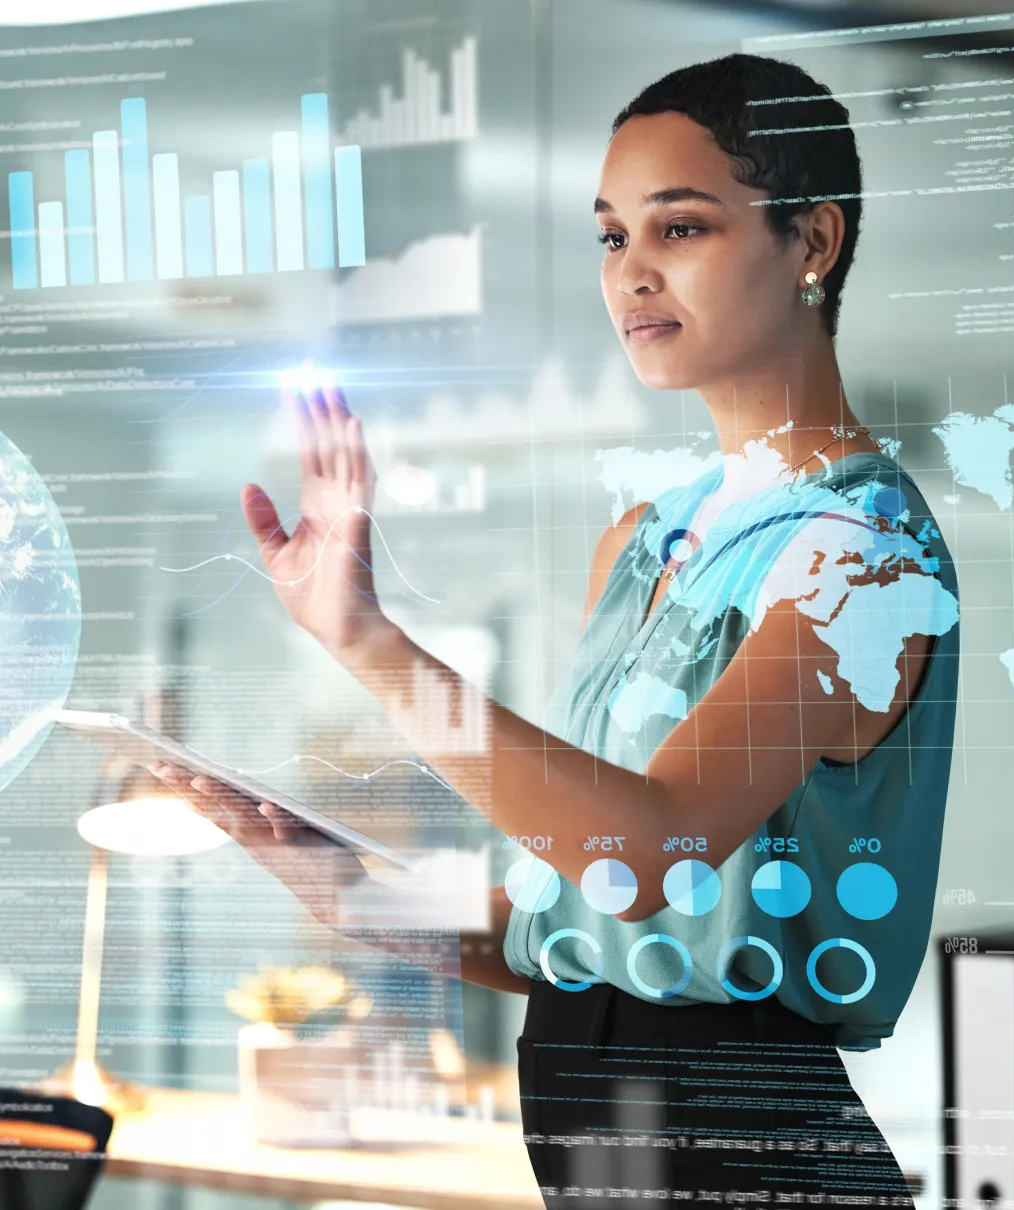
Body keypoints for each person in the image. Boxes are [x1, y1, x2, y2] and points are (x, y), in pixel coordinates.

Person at [154, 53, 959, 1207]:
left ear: (813, 242)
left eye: (677, 229)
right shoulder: (640, 542)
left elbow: (646, 853)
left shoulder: (862, 554)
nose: (630, 273)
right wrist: (358, 896)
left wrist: (366, 641)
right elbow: (571, 924)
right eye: (608, 237)